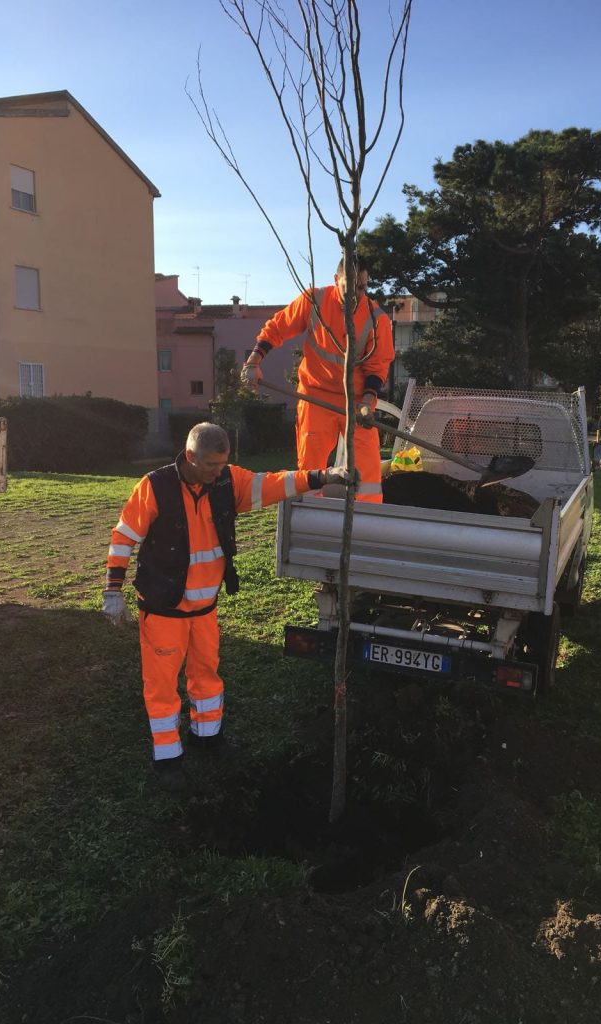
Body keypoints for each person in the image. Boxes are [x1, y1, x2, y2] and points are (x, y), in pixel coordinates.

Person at [101, 422, 353, 791]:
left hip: (204, 608)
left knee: (207, 676)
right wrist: (112, 591)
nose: (219, 472)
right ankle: (168, 759)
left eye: (223, 464)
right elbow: (123, 537)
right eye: (211, 466)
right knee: (162, 686)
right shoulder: (154, 487)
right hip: (164, 609)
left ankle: (207, 738)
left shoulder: (226, 483)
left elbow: (274, 483)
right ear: (190, 457)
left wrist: (321, 476)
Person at [240, 256, 394, 503]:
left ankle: (367, 521)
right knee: (310, 468)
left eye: (362, 287)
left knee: (368, 470)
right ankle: (309, 516)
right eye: (350, 286)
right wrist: (254, 361)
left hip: (357, 402)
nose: (356, 294)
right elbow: (278, 327)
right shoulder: (314, 301)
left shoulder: (377, 320)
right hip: (314, 396)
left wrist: (367, 402)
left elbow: (378, 366)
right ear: (336, 280)